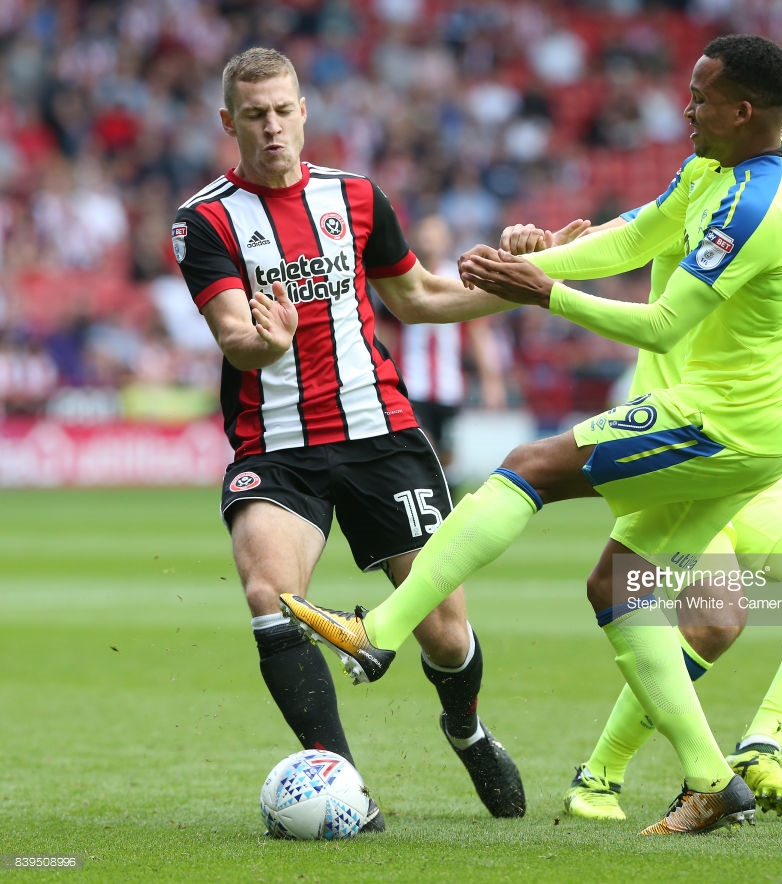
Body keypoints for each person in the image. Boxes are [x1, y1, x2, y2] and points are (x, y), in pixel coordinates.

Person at [283, 34, 782, 835]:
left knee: (528, 466)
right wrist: (546, 263)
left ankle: (378, 634)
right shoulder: (718, 168)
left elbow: (667, 325)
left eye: (701, 98)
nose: (686, 107)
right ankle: (712, 781)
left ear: (744, 111)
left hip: (724, 424)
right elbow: (638, 238)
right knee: (617, 588)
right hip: (754, 424)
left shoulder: (756, 204)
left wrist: (544, 294)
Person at [514, 87, 782, 821]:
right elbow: (615, 243)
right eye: (769, 139)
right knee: (715, 621)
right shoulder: (706, 203)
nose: (775, 157)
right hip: (680, 449)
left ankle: (760, 747)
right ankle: (600, 775)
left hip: (756, 459)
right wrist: (540, 252)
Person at [170, 47, 525, 829]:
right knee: (271, 595)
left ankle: (465, 729)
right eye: (254, 115)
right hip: (276, 447)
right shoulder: (204, 221)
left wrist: (529, 286)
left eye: (283, 110)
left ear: (305, 111)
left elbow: (422, 296)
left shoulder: (357, 197)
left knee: (444, 628)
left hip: (383, 435)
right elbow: (238, 337)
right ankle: (346, 787)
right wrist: (271, 341)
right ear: (229, 122)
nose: (271, 127)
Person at [386, 213, 507, 470]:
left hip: (449, 386)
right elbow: (386, 335)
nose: (430, 238)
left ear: (446, 239)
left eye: (436, 232)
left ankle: (445, 505)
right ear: (414, 238)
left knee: (446, 459)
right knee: (421, 447)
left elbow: (478, 332)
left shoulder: (460, 279)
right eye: (425, 232)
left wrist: (491, 381)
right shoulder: (400, 279)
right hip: (410, 385)